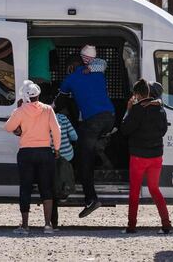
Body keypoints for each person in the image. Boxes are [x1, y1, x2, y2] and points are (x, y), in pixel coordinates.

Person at [60, 46, 115, 218]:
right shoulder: (98, 71)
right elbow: (103, 62)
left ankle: (91, 198)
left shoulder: (70, 78)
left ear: (70, 67)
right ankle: (99, 149)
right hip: (110, 117)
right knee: (89, 143)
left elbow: (59, 101)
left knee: (84, 160)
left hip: (93, 122)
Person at [4, 81, 61, 234]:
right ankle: (48, 225)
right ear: (38, 94)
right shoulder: (48, 109)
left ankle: (25, 226)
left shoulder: (20, 111)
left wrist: (17, 110)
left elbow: (8, 127)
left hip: (26, 153)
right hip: (44, 152)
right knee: (46, 188)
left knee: (25, 188)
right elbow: (56, 130)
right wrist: (56, 149)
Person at [120, 79, 171, 234]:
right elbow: (163, 131)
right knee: (154, 189)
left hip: (138, 156)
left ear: (136, 94)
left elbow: (124, 129)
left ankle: (131, 226)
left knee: (134, 191)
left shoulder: (136, 110)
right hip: (156, 156)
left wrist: (128, 110)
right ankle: (166, 224)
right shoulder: (160, 109)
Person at [51, 94, 79, 229]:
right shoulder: (64, 118)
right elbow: (74, 136)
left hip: (51, 156)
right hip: (66, 156)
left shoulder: (45, 119)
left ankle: (53, 221)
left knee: (52, 184)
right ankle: (67, 187)